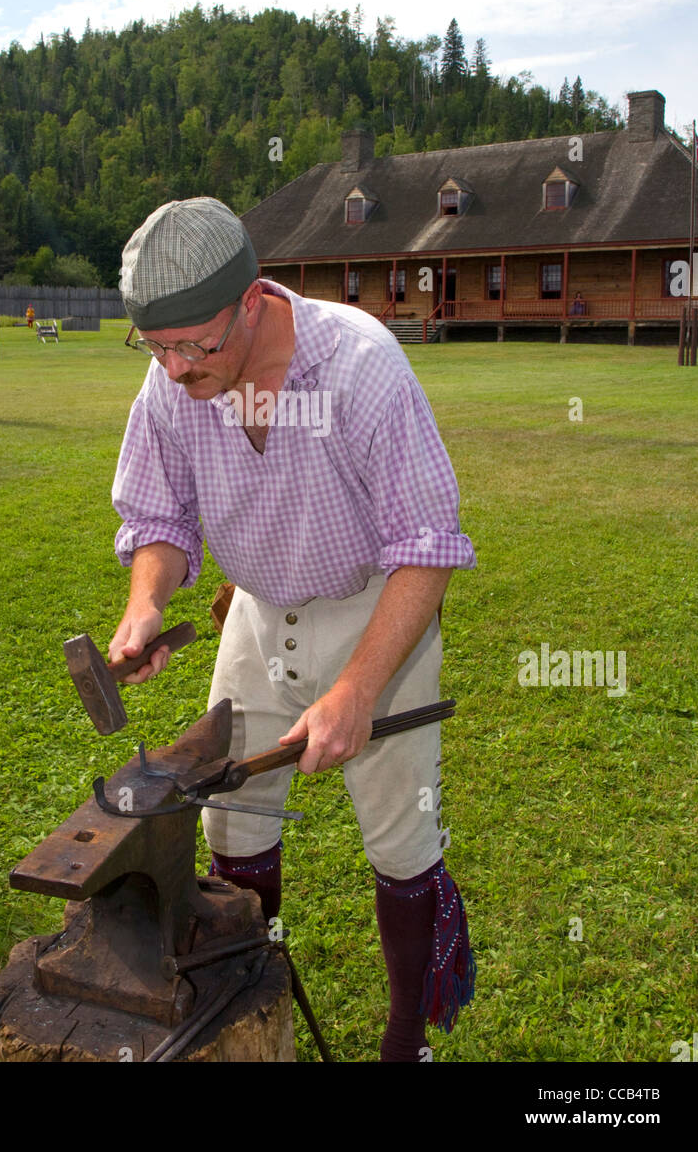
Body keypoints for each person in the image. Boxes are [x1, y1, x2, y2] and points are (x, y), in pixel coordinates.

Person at [110, 197, 477, 1061]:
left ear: (251, 301)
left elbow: (427, 545)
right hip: (255, 610)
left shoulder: (360, 365)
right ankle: (244, 1006)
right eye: (155, 348)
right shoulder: (174, 381)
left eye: (194, 345)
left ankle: (402, 1045)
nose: (174, 370)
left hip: (378, 611)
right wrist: (148, 602)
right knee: (232, 824)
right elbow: (159, 514)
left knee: (401, 842)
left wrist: (357, 689)